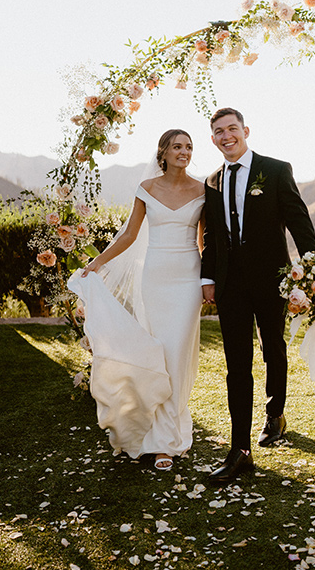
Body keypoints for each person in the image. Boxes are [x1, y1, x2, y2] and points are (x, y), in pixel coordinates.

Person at [68, 129, 204, 471]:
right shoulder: (147, 189)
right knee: (157, 352)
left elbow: (205, 243)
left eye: (189, 147)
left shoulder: (203, 191)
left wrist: (208, 282)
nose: (184, 152)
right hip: (155, 279)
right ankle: (157, 438)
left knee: (176, 356)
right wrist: (98, 263)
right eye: (177, 146)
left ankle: (167, 441)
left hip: (187, 280)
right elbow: (130, 234)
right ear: (164, 152)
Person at [201, 108, 315, 483]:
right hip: (231, 285)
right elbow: (212, 239)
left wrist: (312, 271)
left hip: (273, 280)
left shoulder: (276, 169)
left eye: (231, 128)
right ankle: (240, 450)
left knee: (273, 349)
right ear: (214, 139)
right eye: (218, 131)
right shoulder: (212, 182)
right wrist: (208, 278)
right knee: (237, 364)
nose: (226, 135)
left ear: (245, 131)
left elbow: (299, 221)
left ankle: (275, 413)